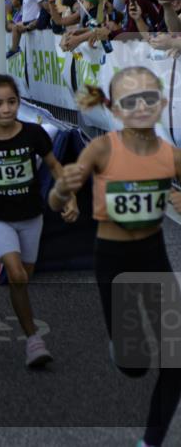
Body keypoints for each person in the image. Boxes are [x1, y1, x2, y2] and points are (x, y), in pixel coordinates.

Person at [49, 66, 181, 447]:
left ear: (162, 103)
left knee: (175, 360)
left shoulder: (171, 156)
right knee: (134, 365)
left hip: (154, 254)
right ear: (116, 109)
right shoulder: (103, 147)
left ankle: (151, 440)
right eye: (130, 100)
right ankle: (120, 348)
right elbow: (54, 201)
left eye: (149, 98)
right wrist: (62, 190)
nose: (141, 106)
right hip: (114, 258)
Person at [0, 74, 78, 367]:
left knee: (26, 276)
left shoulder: (33, 134)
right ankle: (33, 340)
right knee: (17, 276)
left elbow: (55, 166)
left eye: (11, 102)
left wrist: (69, 197)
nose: (6, 109)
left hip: (31, 215)